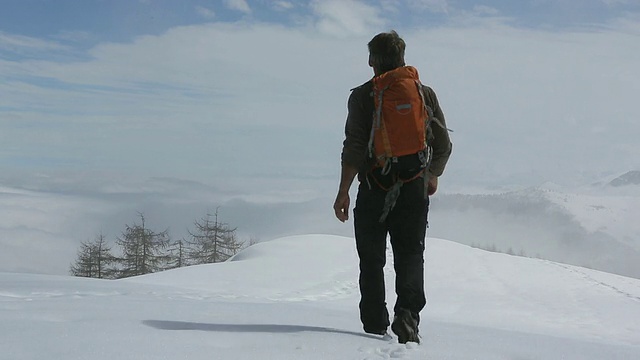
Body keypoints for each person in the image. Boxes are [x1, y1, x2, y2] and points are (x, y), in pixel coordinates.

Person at [333, 30, 452, 344]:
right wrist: (432, 175)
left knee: (371, 258)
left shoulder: (362, 96)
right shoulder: (424, 94)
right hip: (413, 187)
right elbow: (444, 144)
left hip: (374, 186)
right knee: (411, 254)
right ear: (402, 57)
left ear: (373, 61)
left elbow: (355, 147)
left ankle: (374, 323)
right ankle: (408, 316)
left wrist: (343, 190)